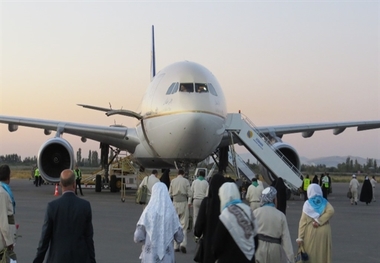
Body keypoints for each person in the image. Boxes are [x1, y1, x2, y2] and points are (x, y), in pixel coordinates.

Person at [33, 169, 96, 263]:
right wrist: (92, 260)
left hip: (58, 258)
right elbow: (89, 238)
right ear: (74, 184)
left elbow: (44, 239)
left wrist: (38, 260)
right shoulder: (85, 206)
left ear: (60, 184)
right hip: (80, 258)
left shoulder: (52, 207)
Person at [134, 182, 183, 263]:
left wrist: (147, 241)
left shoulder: (147, 212)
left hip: (150, 258)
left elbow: (138, 237)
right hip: (168, 258)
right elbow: (179, 238)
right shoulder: (171, 213)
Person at [213, 182, 257, 263]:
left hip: (229, 258)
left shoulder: (226, 214)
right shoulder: (248, 210)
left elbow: (217, 245)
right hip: (249, 258)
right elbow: (255, 237)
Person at [253, 186, 294, 263]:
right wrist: (290, 258)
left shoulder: (255, 213)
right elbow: (286, 239)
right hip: (275, 249)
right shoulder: (281, 215)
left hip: (259, 248)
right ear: (274, 199)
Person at [296, 184, 334, 263]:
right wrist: (320, 221)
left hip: (311, 231)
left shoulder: (307, 204)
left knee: (311, 254)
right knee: (323, 253)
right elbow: (331, 211)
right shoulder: (324, 202)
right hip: (324, 231)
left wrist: (300, 237)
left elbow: (303, 222)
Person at [194, 173, 225, 263]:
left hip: (208, 248)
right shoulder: (226, 204)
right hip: (222, 250)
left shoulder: (206, 203)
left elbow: (198, 228)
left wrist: (197, 233)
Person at [168, 169, 192, 253]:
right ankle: (183, 244)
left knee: (175, 224)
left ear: (177, 174)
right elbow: (190, 194)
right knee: (184, 225)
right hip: (183, 203)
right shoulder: (186, 181)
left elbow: (169, 194)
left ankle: (175, 245)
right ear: (183, 174)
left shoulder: (173, 181)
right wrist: (189, 202)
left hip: (175, 203)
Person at [0, 165, 16, 256]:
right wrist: (9, 241)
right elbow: (3, 220)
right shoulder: (2, 193)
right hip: (2, 242)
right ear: (8, 177)